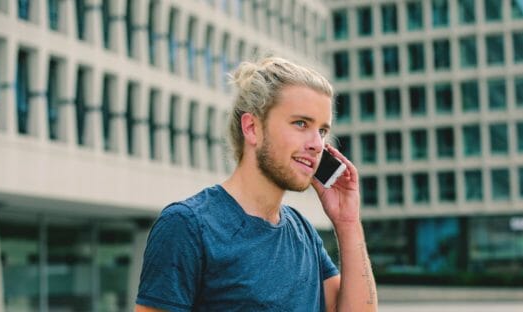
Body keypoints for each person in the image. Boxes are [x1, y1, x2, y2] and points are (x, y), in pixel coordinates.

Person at [135, 57, 377, 311]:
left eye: (323, 131)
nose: (317, 144)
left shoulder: (303, 232)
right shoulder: (187, 226)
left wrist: (347, 223)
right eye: (301, 124)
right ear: (252, 127)